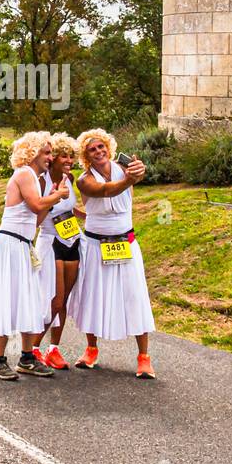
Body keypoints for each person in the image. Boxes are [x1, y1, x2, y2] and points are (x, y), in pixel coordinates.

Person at [68, 128, 155, 379]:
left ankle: (144, 357)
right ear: (86, 156)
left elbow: (135, 176)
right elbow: (105, 191)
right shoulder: (84, 179)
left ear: (109, 147)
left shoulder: (122, 166)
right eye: (92, 150)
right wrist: (130, 179)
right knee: (94, 295)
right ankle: (91, 349)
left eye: (101, 147)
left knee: (134, 295)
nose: (98, 152)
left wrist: (138, 171)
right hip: (96, 245)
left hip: (125, 242)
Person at [0, 132, 65, 380]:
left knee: (29, 297)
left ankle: (27, 357)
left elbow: (37, 218)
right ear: (32, 153)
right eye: (47, 153)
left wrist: (50, 199)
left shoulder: (36, 179)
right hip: (10, 244)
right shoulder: (23, 174)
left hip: (23, 244)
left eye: (51, 153)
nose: (50, 158)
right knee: (8, 299)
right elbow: (36, 205)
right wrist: (57, 196)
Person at [31, 132, 85, 370]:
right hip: (51, 241)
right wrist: (53, 197)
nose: (68, 161)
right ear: (52, 158)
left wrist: (90, 217)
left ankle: (54, 349)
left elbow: (70, 209)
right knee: (53, 300)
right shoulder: (41, 181)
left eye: (71, 157)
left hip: (72, 240)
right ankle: (32, 349)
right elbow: (36, 213)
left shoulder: (69, 178)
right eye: (63, 156)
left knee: (64, 300)